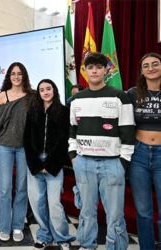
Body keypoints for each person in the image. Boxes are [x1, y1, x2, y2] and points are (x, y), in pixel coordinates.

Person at [69, 52, 135, 250]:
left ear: (106, 70)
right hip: (84, 163)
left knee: (114, 214)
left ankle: (115, 247)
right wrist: (74, 158)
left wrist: (123, 161)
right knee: (86, 211)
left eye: (99, 67)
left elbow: (128, 131)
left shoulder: (120, 96)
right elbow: (72, 131)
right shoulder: (76, 99)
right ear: (85, 71)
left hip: (112, 163)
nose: (94, 70)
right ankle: (87, 245)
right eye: (90, 67)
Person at [24, 79, 75, 249]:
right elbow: (26, 140)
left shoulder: (63, 111)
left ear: (54, 90)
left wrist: (51, 164)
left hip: (54, 163)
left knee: (54, 204)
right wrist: (36, 164)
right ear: (38, 93)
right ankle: (44, 235)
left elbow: (65, 141)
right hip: (35, 163)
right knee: (37, 203)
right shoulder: (32, 112)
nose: (45, 92)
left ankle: (62, 238)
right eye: (42, 90)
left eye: (48, 89)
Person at [0, 62, 34, 242]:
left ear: (24, 75)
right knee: (5, 189)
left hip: (24, 148)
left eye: (19, 73)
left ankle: (17, 226)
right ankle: (5, 227)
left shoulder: (32, 97)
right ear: (9, 76)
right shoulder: (2, 96)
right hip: (4, 147)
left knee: (21, 188)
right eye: (13, 73)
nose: (16, 76)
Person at [127, 52, 161, 249]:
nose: (151, 68)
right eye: (146, 66)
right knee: (143, 210)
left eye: (155, 64)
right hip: (139, 155)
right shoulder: (133, 93)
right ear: (141, 71)